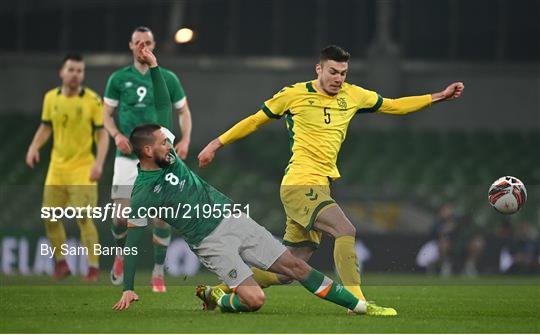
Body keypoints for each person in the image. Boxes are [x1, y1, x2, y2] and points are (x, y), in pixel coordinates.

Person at [198, 45, 465, 315]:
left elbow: (394, 106)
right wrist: (215, 144)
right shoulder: (294, 95)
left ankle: (218, 292)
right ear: (319, 69)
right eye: (333, 72)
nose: (338, 78)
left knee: (290, 269)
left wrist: (439, 97)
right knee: (345, 230)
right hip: (299, 183)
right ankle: (357, 302)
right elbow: (255, 121)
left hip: (320, 185)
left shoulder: (354, 95)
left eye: (343, 73)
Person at [112, 45, 379, 315]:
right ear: (147, 151)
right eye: (163, 144)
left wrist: (155, 67)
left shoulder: (169, 159)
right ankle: (220, 298)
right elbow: (133, 241)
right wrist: (128, 287)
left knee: (295, 269)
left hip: (234, 219)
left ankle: (359, 306)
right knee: (255, 300)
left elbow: (161, 104)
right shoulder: (143, 192)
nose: (171, 146)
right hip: (208, 242)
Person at [102, 26, 192, 292]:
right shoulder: (118, 79)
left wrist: (185, 139)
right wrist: (116, 134)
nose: (143, 47)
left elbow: (183, 111)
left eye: (148, 43)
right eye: (138, 42)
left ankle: (158, 271)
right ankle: (120, 255)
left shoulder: (167, 78)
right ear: (130, 46)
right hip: (127, 157)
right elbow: (106, 115)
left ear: (154, 46)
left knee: (161, 217)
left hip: (160, 159)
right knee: (120, 218)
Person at [26, 53, 109, 281]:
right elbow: (46, 127)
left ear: (83, 74)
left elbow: (102, 136)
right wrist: (34, 147)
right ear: (62, 72)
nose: (75, 74)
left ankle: (93, 267)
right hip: (57, 168)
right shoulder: (50, 98)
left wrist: (99, 163)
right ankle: (61, 264)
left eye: (79, 71)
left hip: (83, 167)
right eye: (71, 70)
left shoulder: (92, 100)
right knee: (50, 217)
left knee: (84, 217)